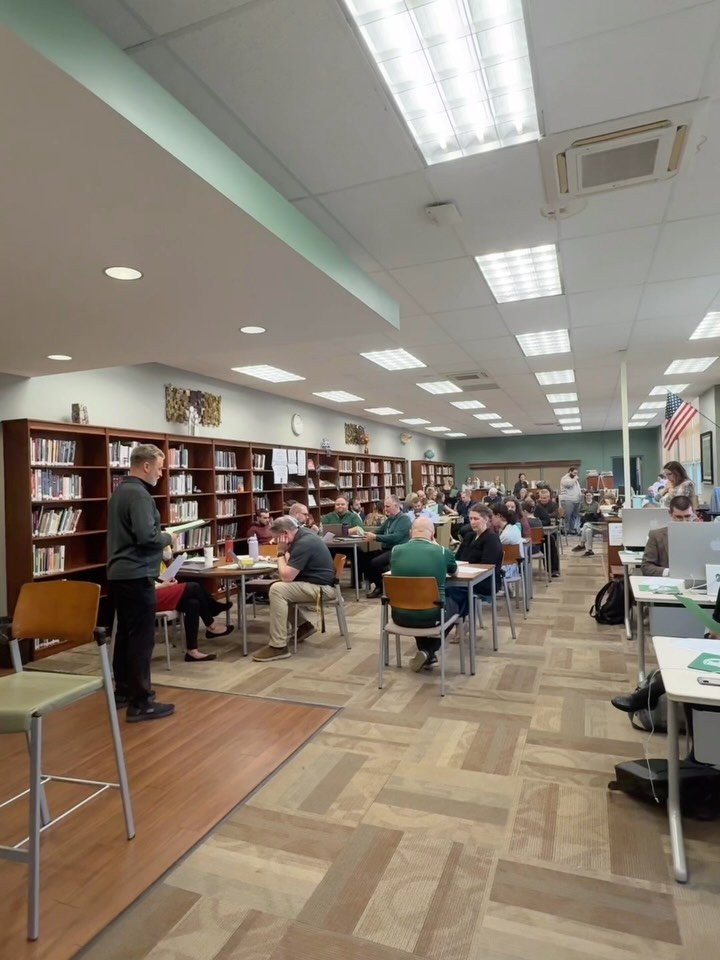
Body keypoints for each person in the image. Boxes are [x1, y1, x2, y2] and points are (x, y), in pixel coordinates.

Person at [107, 443, 175, 722]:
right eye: (159, 468)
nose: (160, 474)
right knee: (141, 640)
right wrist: (168, 538)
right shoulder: (139, 495)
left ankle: (123, 690)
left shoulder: (121, 491)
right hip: (136, 574)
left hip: (121, 574)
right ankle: (141, 701)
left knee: (125, 634)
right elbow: (147, 537)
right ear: (145, 466)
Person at [252, 516, 336, 662]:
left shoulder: (304, 542)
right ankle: (303, 626)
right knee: (280, 588)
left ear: (285, 534)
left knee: (278, 589)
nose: (275, 542)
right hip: (317, 584)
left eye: (277, 538)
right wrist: (284, 555)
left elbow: (287, 576)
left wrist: (280, 553)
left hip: (323, 589)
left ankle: (278, 647)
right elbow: (292, 562)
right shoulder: (303, 535)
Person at [389, 517, 458, 672]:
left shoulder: (395, 551)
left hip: (400, 615)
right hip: (431, 617)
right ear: (433, 535)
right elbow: (455, 572)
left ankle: (427, 655)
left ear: (410, 533)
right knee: (455, 604)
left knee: (415, 601)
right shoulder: (442, 551)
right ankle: (429, 651)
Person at [154, 561, 233, 661]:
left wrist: (163, 582)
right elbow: (140, 588)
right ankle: (211, 620)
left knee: (193, 603)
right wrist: (163, 585)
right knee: (194, 587)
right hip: (148, 597)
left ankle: (192, 651)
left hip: (157, 590)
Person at [446, 505, 503, 619]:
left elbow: (487, 566)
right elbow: (457, 559)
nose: (472, 522)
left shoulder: (491, 539)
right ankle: (456, 620)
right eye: (470, 519)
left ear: (486, 519)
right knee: (443, 587)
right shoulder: (469, 536)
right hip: (463, 577)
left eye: (476, 519)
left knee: (452, 590)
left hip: (484, 581)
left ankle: (459, 621)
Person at [357, 495, 412, 598]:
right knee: (363, 558)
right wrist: (365, 534)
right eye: (385, 506)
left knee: (375, 562)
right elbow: (379, 531)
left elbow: (395, 537)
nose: (385, 509)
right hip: (386, 550)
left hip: (397, 550)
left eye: (387, 506)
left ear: (396, 506)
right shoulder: (389, 519)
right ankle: (379, 585)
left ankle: (382, 586)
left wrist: (375, 537)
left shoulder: (404, 519)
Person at [641, 495, 695, 576]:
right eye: (679, 517)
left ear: (693, 512)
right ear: (670, 513)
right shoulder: (656, 536)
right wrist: (669, 572)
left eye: (687, 516)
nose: (684, 521)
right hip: (669, 582)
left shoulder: (703, 535)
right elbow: (646, 567)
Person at [534, 487, 560, 577]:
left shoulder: (554, 505)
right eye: (541, 498)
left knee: (551, 541)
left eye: (545, 498)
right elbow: (534, 518)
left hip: (551, 531)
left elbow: (555, 515)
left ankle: (554, 569)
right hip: (538, 532)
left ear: (549, 497)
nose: (543, 499)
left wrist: (545, 516)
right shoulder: (536, 506)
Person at [559, 467, 582, 534]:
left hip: (576, 500)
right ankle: (565, 530)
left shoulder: (574, 479)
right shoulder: (565, 478)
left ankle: (571, 530)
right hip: (567, 500)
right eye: (574, 473)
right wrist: (575, 478)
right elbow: (569, 484)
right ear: (570, 472)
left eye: (576, 473)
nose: (576, 474)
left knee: (574, 516)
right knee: (567, 516)